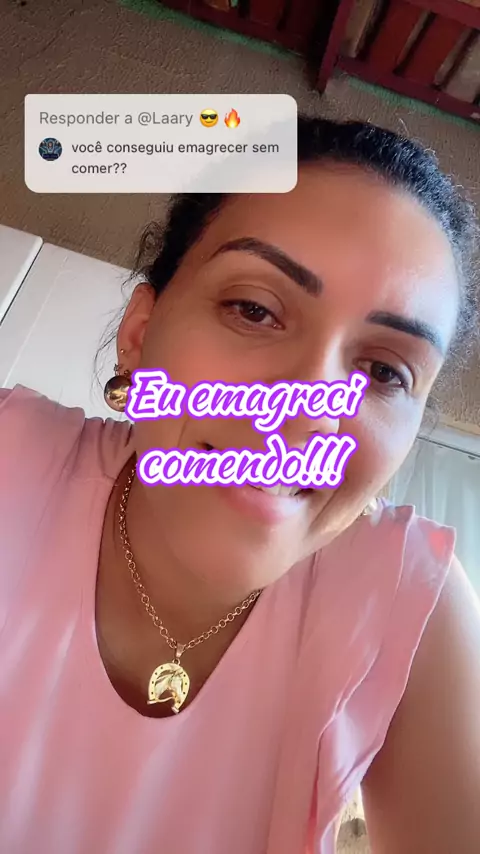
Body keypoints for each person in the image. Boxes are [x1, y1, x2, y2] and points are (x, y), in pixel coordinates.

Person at [1, 116, 480, 854]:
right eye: (253, 310)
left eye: (384, 371)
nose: (305, 413)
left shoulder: (412, 603)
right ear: (140, 335)